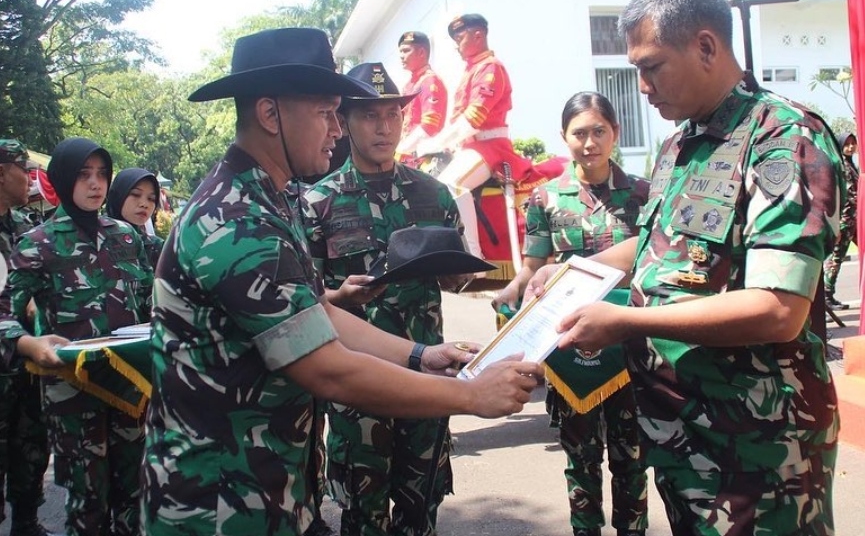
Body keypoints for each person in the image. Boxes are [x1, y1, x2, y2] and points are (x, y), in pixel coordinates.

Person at [140, 27, 543, 536]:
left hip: (267, 488)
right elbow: (327, 370)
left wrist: (420, 355)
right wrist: (471, 396)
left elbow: (317, 313)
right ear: (270, 114)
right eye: (327, 112)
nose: (338, 129)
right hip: (219, 502)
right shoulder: (237, 221)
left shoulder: (271, 199)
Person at [525, 0, 843, 535]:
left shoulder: (781, 140)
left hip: (757, 447)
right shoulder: (680, 144)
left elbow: (778, 308)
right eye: (636, 71)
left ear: (705, 47)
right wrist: (573, 269)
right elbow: (657, 245)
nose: (643, 87)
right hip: (682, 435)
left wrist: (625, 320)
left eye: (651, 67)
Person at [304, 62, 470, 536]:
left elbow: (457, 281)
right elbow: (307, 300)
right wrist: (343, 295)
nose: (384, 127)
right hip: (358, 385)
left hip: (427, 373)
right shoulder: (318, 203)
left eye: (393, 115)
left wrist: (461, 274)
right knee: (364, 512)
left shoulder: (435, 195)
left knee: (422, 509)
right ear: (347, 122)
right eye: (370, 116)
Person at [494, 92, 649, 536]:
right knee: (580, 457)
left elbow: (654, 261)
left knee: (632, 456)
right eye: (579, 133)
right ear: (564, 137)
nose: (589, 142)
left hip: (626, 346)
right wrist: (512, 290)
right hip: (568, 347)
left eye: (599, 131)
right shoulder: (545, 198)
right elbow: (533, 267)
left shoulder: (642, 194)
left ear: (615, 133)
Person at [9, 137, 154, 536]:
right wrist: (31, 345)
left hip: (129, 385)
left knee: (135, 493)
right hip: (72, 391)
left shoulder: (127, 236)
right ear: (61, 179)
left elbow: (148, 302)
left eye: (102, 174)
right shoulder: (37, 244)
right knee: (88, 503)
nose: (96, 184)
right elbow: (4, 313)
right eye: (84, 175)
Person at [416, 13, 533, 258]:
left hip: (490, 147)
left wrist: (435, 143)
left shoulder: (490, 68)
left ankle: (472, 256)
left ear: (477, 35)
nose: (456, 45)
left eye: (460, 37)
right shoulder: (472, 70)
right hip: (471, 147)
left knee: (450, 183)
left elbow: (472, 120)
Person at [0, 140, 58, 536]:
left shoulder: (25, 230)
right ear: (2, 171)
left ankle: (27, 522)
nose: (32, 178)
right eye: (25, 167)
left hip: (26, 365)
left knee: (31, 445)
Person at [395, 31, 448, 166]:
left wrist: (399, 150)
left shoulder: (430, 80)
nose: (401, 56)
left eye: (406, 51)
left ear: (421, 53)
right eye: (400, 52)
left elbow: (429, 126)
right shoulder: (409, 85)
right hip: (408, 155)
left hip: (424, 156)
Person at [824, 131, 858, 310]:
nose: (851, 147)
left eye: (853, 143)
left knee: (838, 258)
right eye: (847, 144)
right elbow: (844, 196)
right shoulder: (842, 166)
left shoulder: (852, 166)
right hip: (843, 221)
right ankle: (826, 295)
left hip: (852, 221)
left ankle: (829, 294)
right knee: (835, 258)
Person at [106, 167, 165, 270]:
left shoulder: (156, 247)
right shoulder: (96, 240)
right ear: (118, 195)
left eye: (151, 199)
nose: (144, 204)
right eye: (135, 194)